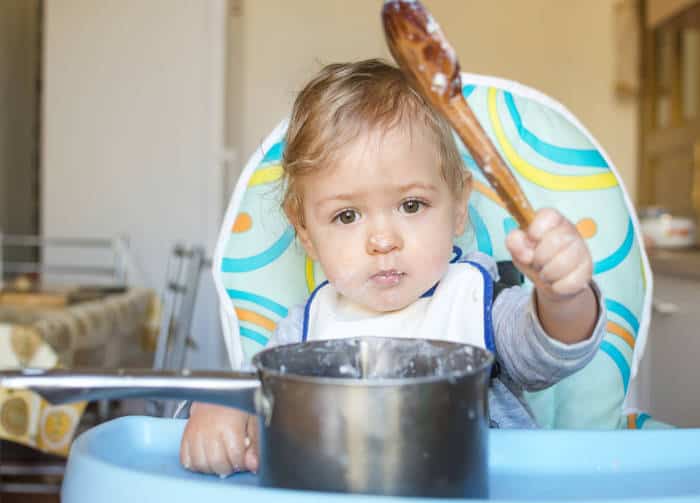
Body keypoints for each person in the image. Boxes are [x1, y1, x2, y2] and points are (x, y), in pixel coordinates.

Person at [180, 59, 606, 477]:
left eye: (411, 204)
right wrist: (218, 409)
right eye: (347, 215)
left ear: (459, 206)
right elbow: (252, 411)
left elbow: (545, 353)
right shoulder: (303, 334)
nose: (383, 240)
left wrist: (562, 296)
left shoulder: (478, 301)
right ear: (305, 231)